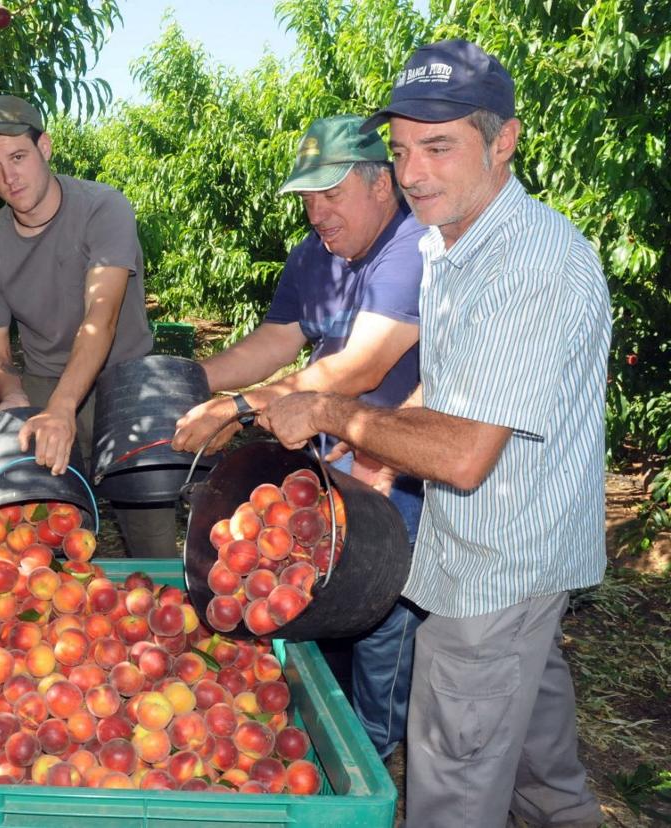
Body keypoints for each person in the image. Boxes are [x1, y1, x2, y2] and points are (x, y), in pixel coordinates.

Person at [259, 40, 608, 827]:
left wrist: (332, 414)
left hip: (495, 568)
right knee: (538, 769)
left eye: (440, 146)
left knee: (449, 783)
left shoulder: (527, 264)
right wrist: (380, 448)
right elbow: (449, 388)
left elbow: (462, 453)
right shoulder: (452, 245)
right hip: (509, 558)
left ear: (504, 140)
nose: (415, 172)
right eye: (405, 148)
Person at [172, 114, 427, 761]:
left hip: (402, 465)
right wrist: (188, 379)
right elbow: (276, 340)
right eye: (308, 199)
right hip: (335, 462)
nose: (317, 213)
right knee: (309, 588)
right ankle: (322, 733)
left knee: (382, 613)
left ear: (382, 184)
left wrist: (241, 405)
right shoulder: (317, 256)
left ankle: (368, 755)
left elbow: (360, 367)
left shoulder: (412, 247)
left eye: (331, 194)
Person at [0, 94, 177, 557]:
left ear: (45, 148)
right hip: (44, 380)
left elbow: (102, 318)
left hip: (125, 376)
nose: (8, 177)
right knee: (37, 529)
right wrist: (11, 394)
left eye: (17, 157)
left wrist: (63, 407)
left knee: (149, 524)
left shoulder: (102, 208)